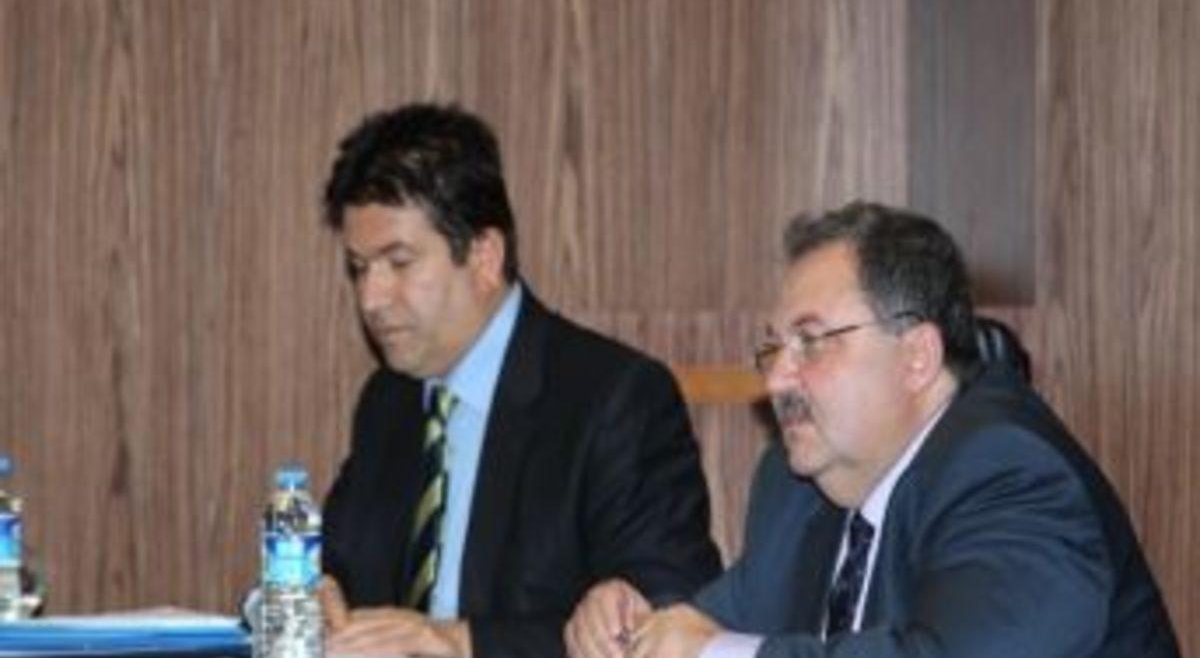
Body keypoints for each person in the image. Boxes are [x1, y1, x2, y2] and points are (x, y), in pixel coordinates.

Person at [565, 201, 1180, 658]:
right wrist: (635, 624)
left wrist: (717, 653)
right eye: (773, 349)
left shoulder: (1008, 471)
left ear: (916, 357)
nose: (776, 380)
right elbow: (717, 623)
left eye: (811, 342)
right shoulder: (799, 482)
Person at [317, 103, 722, 658]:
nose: (371, 299)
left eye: (399, 262)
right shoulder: (388, 402)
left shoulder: (614, 400)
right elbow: (330, 566)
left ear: (484, 257)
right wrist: (315, 595)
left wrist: (458, 642)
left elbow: (665, 623)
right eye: (359, 268)